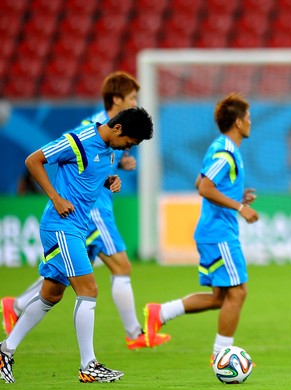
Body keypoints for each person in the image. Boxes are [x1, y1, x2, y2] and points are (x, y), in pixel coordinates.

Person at [1, 71, 170, 350]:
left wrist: (112, 175)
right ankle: (125, 340)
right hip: (89, 214)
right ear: (117, 99)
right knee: (112, 272)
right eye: (131, 98)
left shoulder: (109, 136)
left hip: (83, 215)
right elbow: (47, 159)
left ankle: (15, 312)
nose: (134, 102)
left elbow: (95, 167)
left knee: (56, 287)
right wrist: (56, 197)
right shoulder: (91, 129)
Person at [144, 93, 258, 361]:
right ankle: (221, 355)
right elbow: (205, 188)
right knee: (238, 291)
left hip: (212, 231)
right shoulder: (227, 152)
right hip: (219, 233)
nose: (251, 123)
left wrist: (236, 196)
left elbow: (200, 181)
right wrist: (240, 207)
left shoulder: (218, 146)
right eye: (249, 118)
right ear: (239, 123)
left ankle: (160, 313)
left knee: (221, 297)